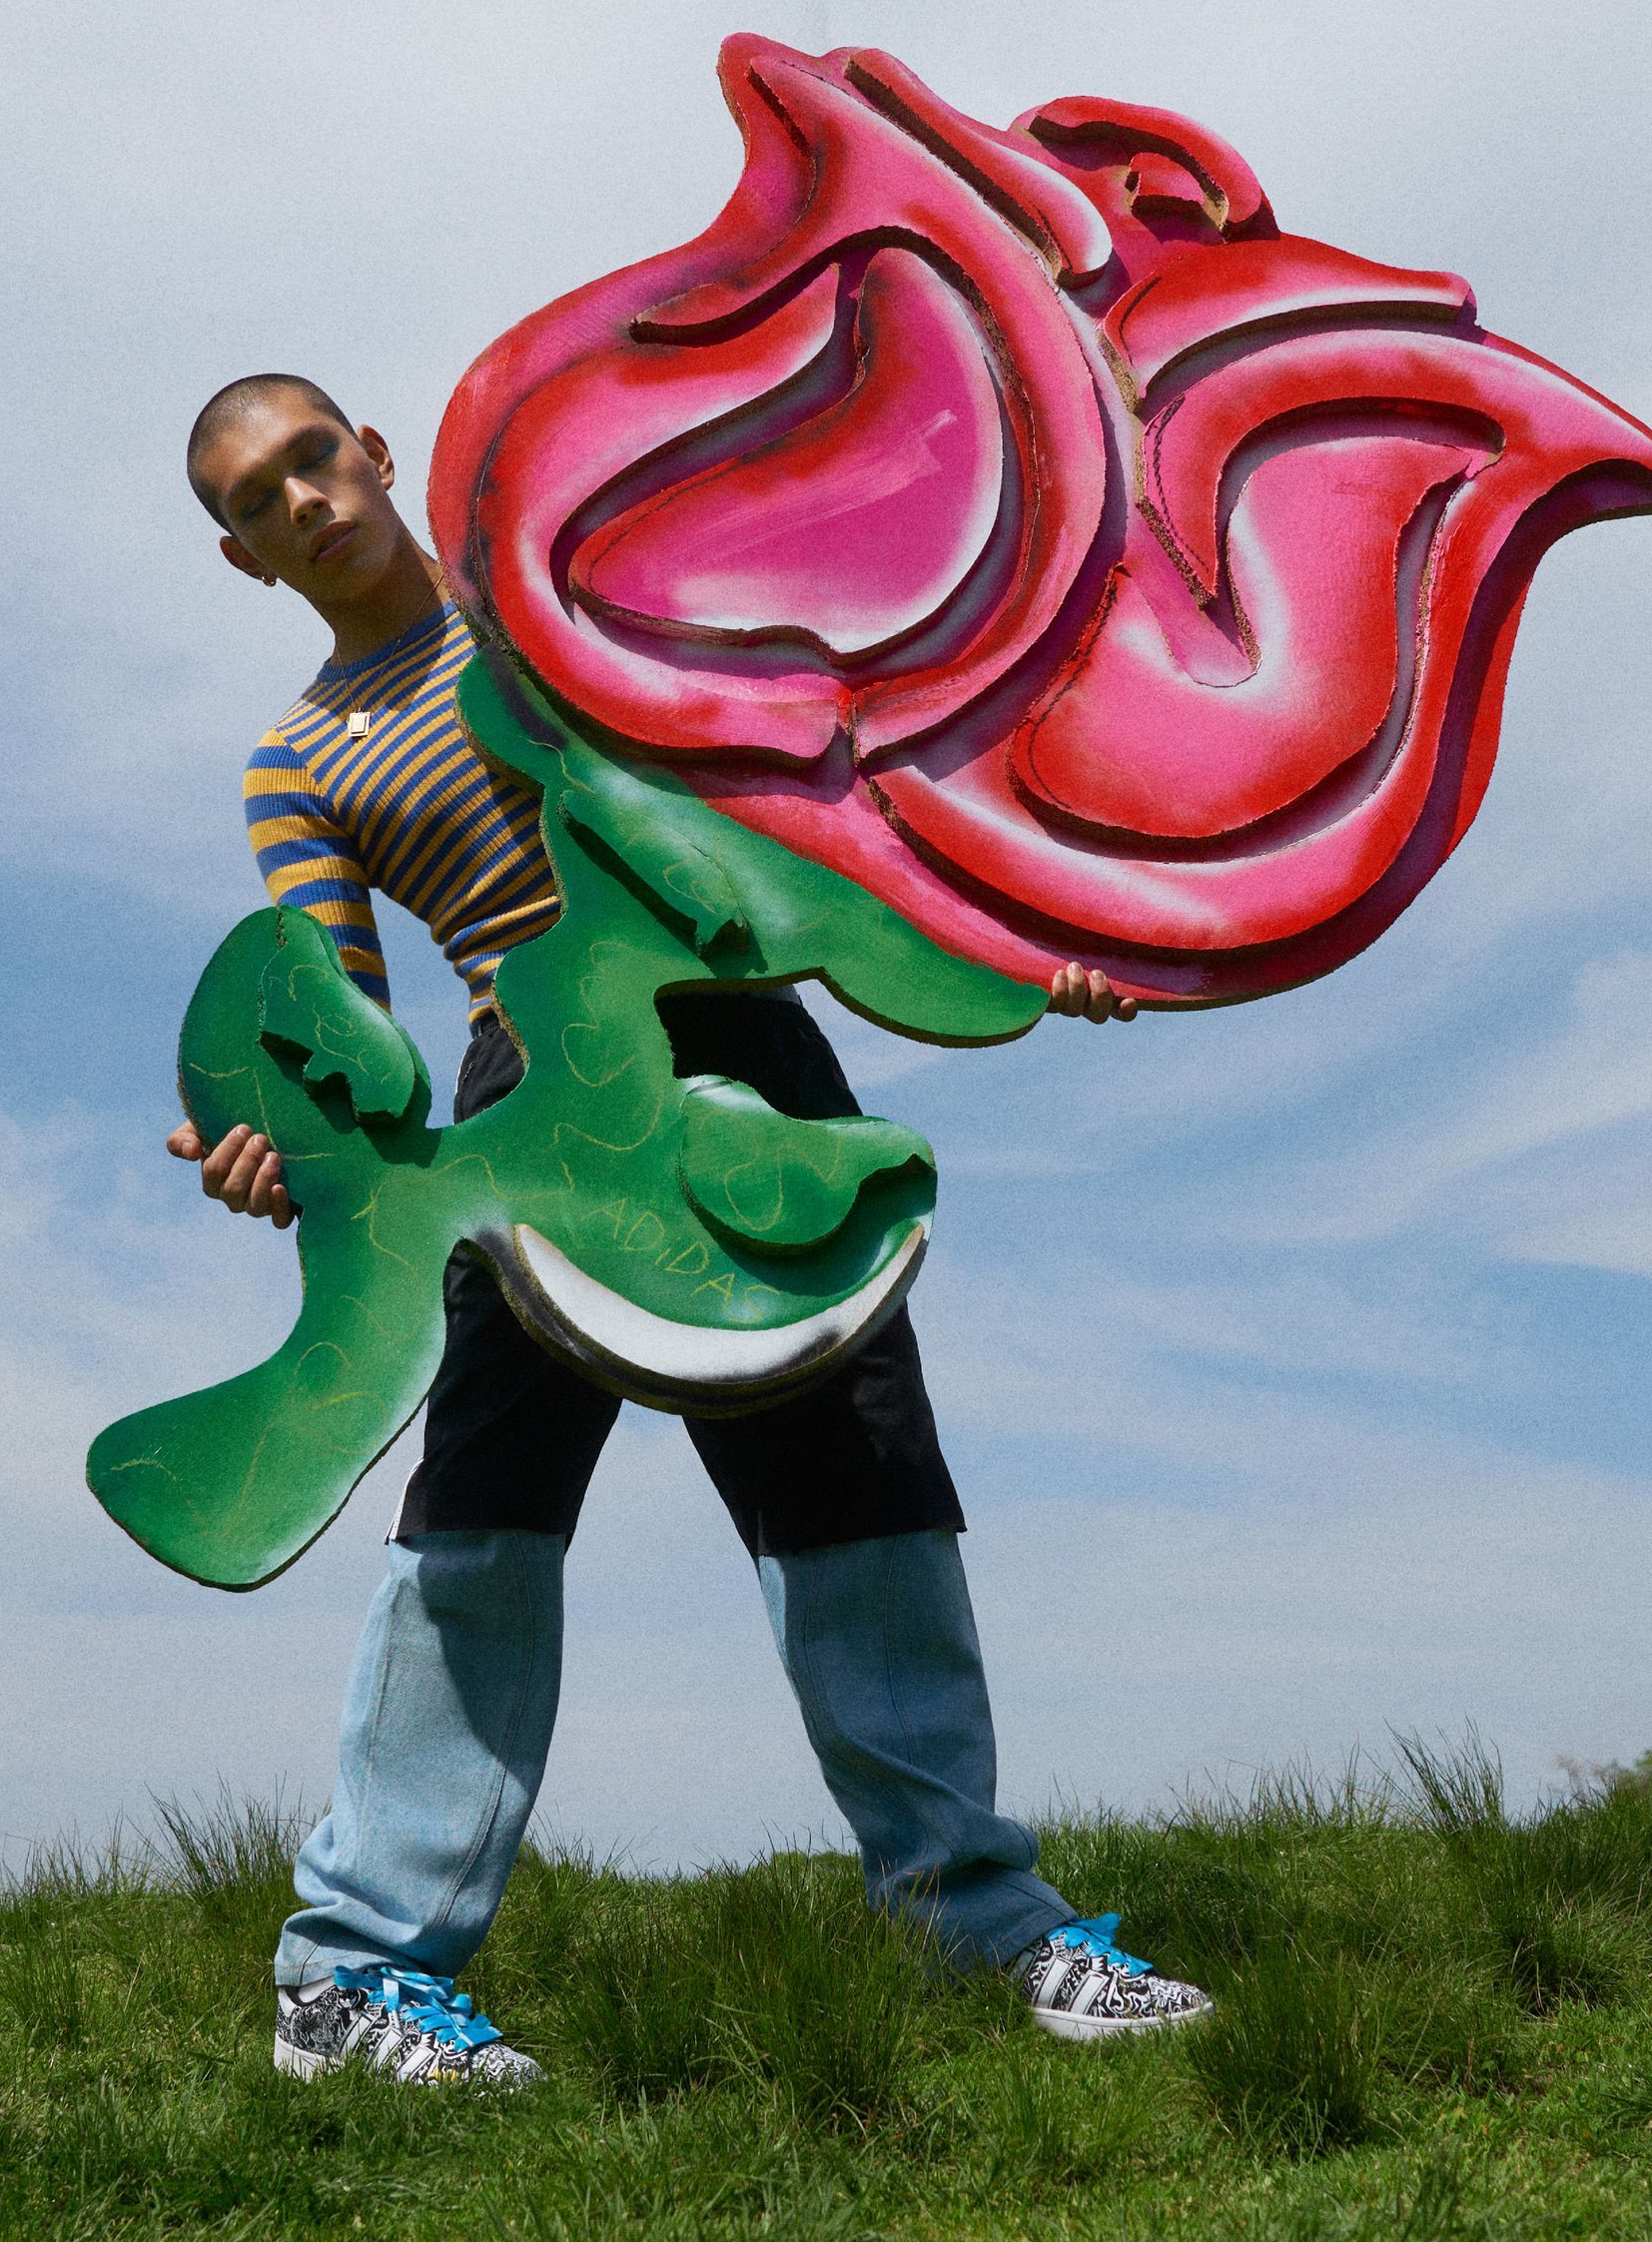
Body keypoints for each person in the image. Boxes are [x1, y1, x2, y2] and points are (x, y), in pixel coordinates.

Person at [171, 372, 1213, 2086]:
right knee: (481, 1504)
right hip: (540, 1105)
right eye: (255, 499)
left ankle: (977, 1921)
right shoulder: (297, 764)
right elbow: (338, 1032)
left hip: (746, 1042)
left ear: (372, 447)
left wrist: (1033, 944)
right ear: (242, 556)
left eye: (312, 458)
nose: (302, 501)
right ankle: (350, 1977)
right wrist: (279, 1154)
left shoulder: (560, 604)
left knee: (862, 1474)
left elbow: (826, 797)